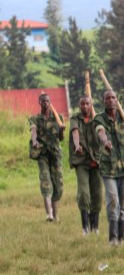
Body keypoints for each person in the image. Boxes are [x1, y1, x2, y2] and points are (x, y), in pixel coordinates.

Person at [94, 90, 124, 245]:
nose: (110, 100)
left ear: (117, 100)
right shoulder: (99, 118)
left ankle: (121, 238)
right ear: (103, 101)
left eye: (113, 98)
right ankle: (113, 237)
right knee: (113, 200)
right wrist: (105, 142)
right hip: (108, 168)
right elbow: (100, 131)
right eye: (107, 98)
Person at [69, 95, 103, 235]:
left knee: (97, 194)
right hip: (81, 161)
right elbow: (75, 132)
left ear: (91, 105)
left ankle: (95, 226)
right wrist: (77, 146)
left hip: (96, 161)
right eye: (82, 104)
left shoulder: (97, 119)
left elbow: (101, 132)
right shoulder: (75, 119)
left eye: (87, 104)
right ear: (79, 106)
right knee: (84, 193)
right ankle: (85, 228)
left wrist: (105, 142)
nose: (84, 107)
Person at [29, 92, 65, 222]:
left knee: (58, 184)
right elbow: (33, 130)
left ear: (50, 103)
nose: (45, 103)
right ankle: (49, 213)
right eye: (43, 101)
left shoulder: (58, 118)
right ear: (39, 103)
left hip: (55, 154)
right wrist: (34, 141)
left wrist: (61, 130)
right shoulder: (35, 119)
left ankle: (55, 215)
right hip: (43, 154)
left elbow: (61, 139)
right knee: (45, 181)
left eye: (47, 101)